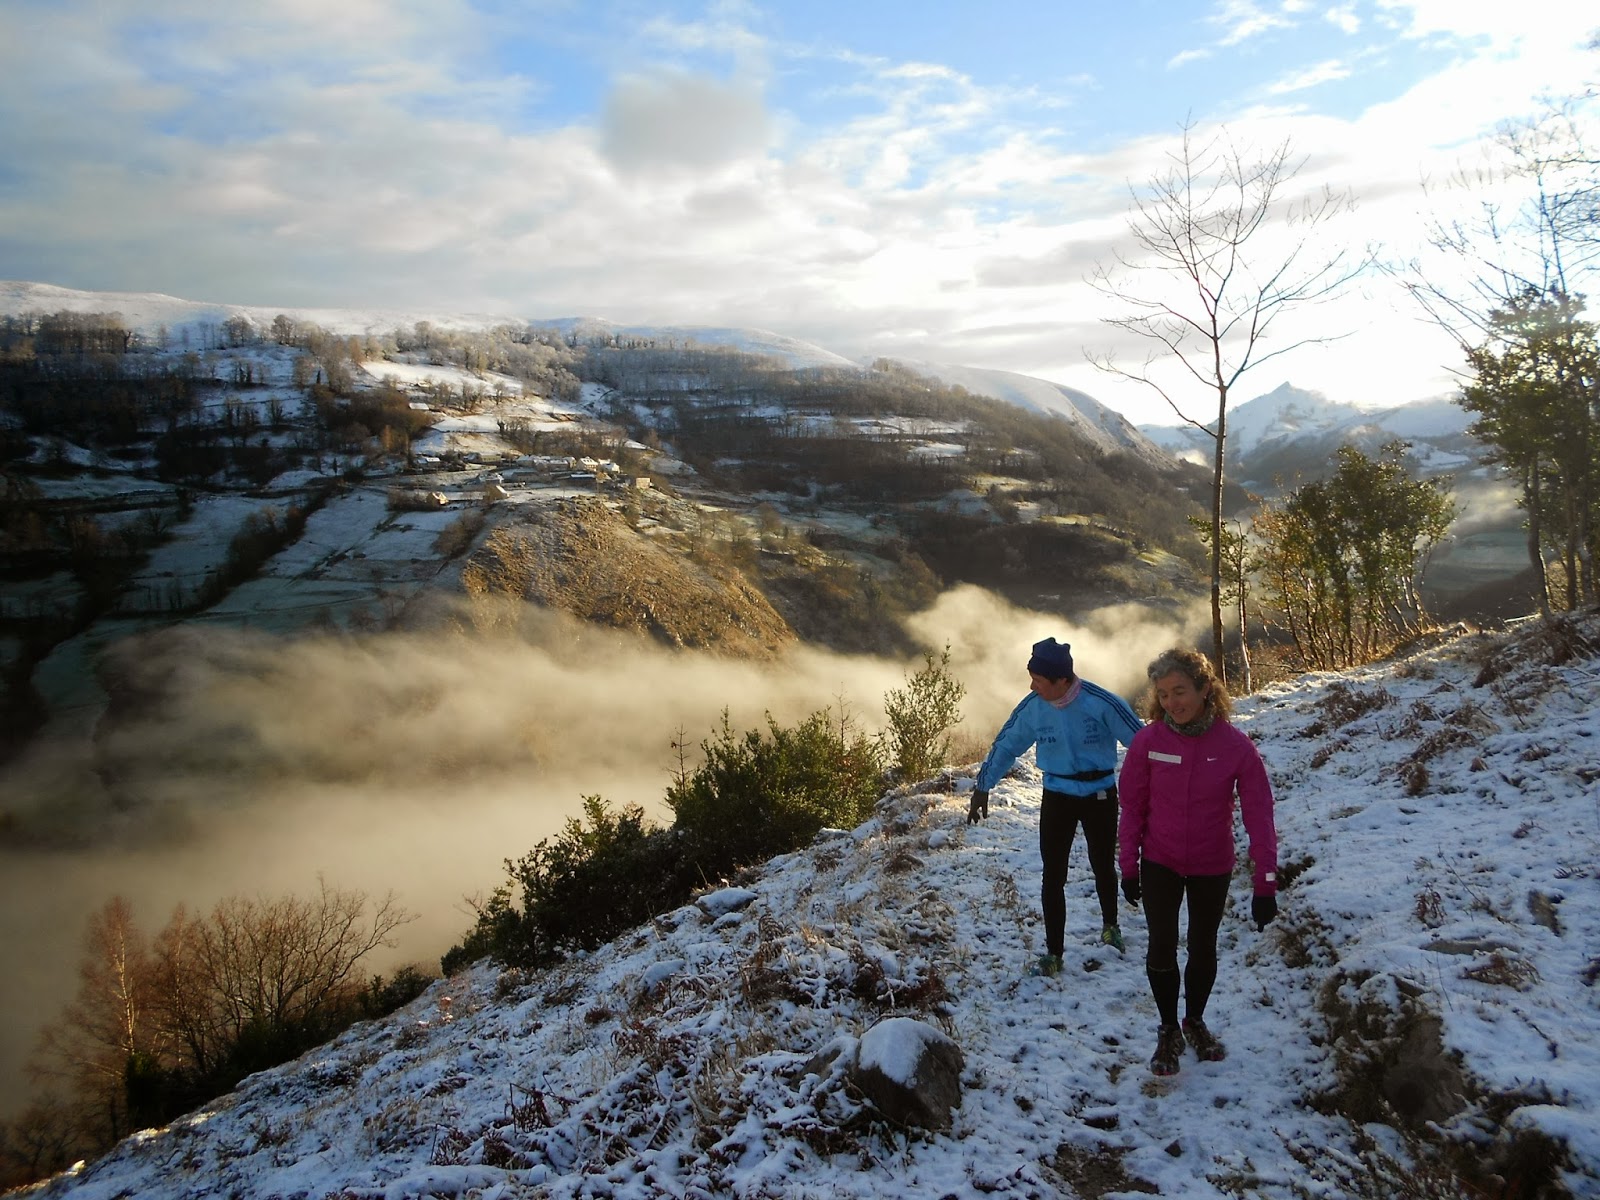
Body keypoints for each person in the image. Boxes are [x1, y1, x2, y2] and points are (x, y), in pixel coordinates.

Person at [1117, 647, 1278, 1076]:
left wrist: (1265, 883)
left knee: (1203, 946)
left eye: (1180, 691)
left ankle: (1195, 1020)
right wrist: (1128, 865)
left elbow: (1260, 816)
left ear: (1206, 688)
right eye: (1163, 694)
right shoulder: (1148, 742)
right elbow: (1132, 807)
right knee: (1161, 944)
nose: (1172, 702)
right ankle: (1169, 1028)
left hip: (1212, 863)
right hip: (1160, 860)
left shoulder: (1235, 747)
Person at [967, 637, 1143, 976]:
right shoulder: (1033, 707)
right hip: (1057, 795)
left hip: (1099, 793)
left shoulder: (1101, 702)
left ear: (1062, 680)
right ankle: (1054, 953)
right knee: (1053, 875)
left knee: (1102, 864)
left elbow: (1143, 743)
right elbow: (1007, 744)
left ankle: (1111, 926)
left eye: (1038, 680)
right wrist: (983, 786)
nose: (1032, 686)